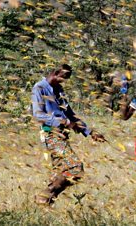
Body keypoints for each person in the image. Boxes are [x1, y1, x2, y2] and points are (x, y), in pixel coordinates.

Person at [31, 64, 106, 205]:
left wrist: (89, 132)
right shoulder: (39, 88)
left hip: (62, 135)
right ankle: (45, 196)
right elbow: (38, 114)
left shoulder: (59, 90)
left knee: (59, 172)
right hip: (51, 133)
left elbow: (70, 114)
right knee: (75, 168)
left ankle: (44, 202)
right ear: (55, 73)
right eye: (62, 78)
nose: (63, 82)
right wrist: (63, 122)